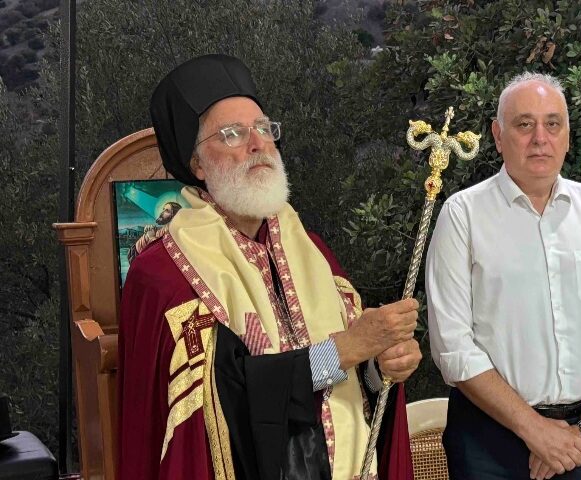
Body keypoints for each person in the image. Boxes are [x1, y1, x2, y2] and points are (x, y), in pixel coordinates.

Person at [118, 54, 420, 480]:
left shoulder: (312, 251)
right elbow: (218, 408)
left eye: (263, 128)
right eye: (232, 134)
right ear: (197, 164)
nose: (257, 144)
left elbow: (356, 389)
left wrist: (379, 366)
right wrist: (341, 351)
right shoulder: (163, 274)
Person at [425, 72, 581, 480]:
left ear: (567, 135)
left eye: (553, 124)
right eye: (524, 124)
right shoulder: (463, 216)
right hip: (489, 447)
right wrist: (536, 431)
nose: (540, 139)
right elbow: (453, 348)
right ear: (498, 136)